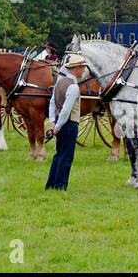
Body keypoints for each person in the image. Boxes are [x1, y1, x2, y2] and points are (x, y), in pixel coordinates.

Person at [45, 55, 87, 191]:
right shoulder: (74, 87)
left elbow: (52, 103)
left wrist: (52, 122)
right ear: (77, 69)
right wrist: (57, 127)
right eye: (83, 67)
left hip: (58, 121)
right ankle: (60, 186)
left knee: (58, 154)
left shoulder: (59, 83)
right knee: (66, 157)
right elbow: (66, 110)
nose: (84, 70)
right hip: (69, 124)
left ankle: (51, 184)